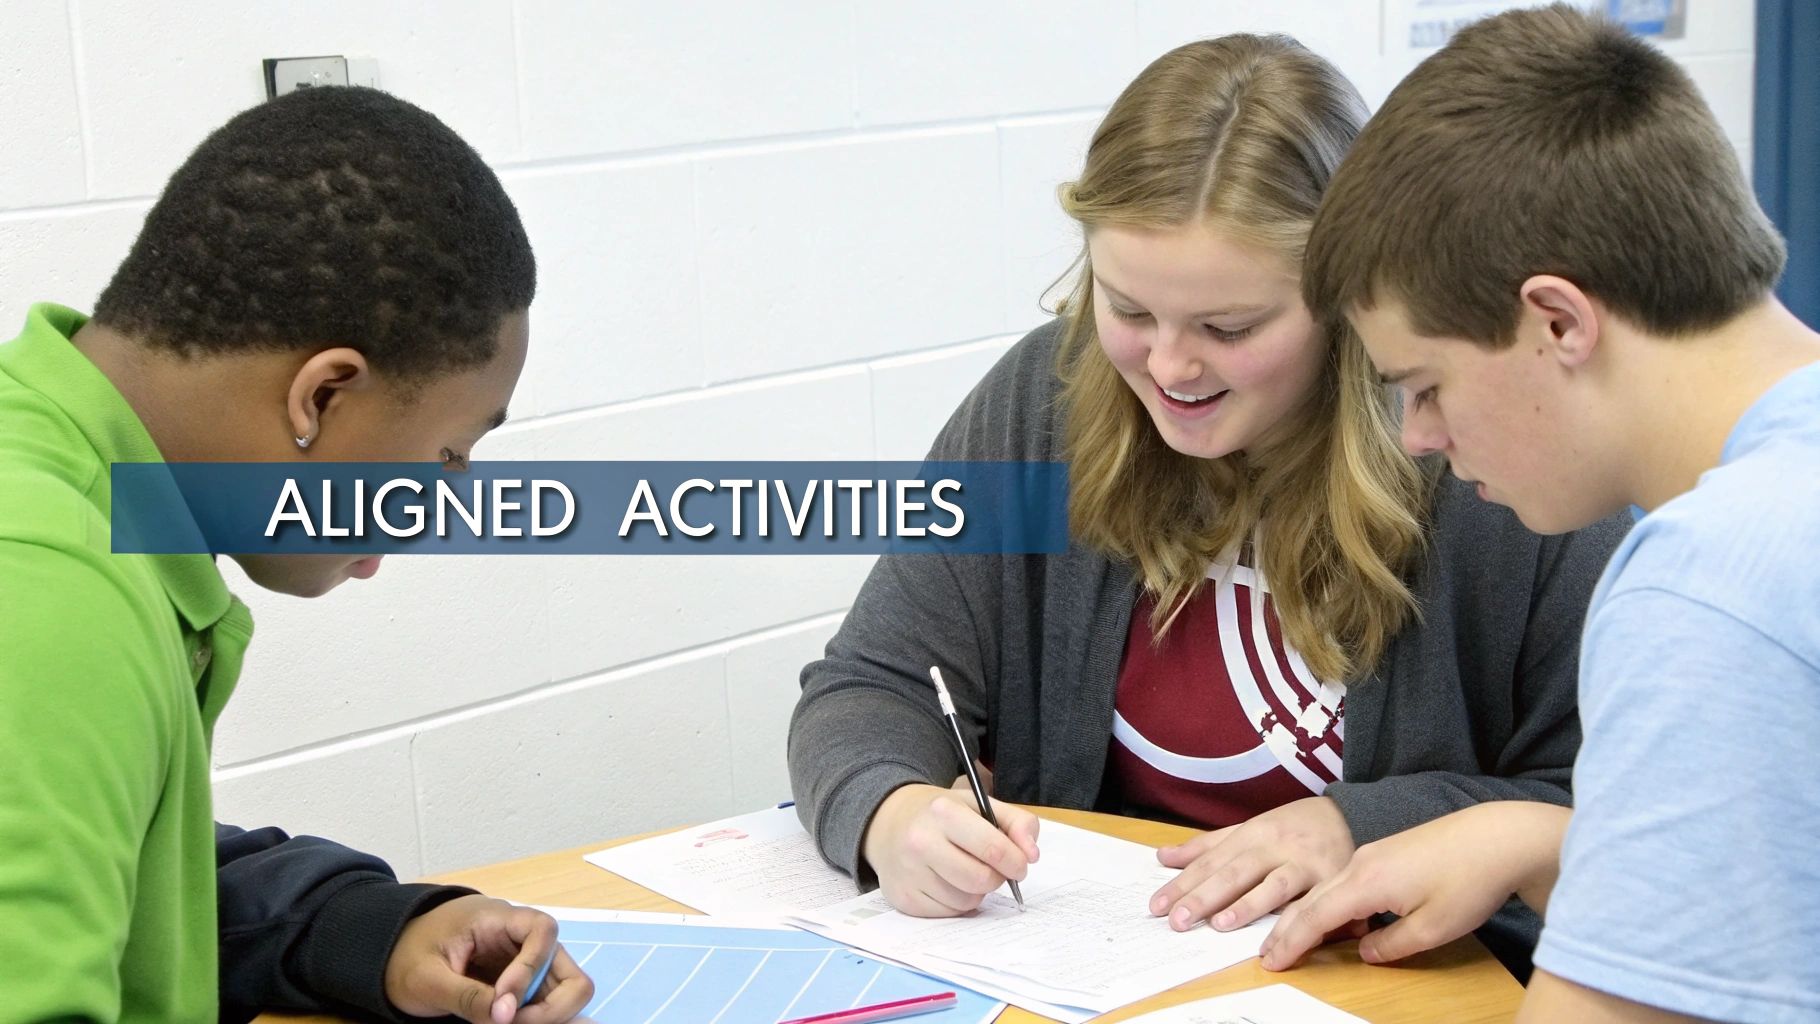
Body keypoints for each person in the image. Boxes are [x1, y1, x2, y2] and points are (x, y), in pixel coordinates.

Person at [788, 33, 1629, 975]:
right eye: (1129, 310)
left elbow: (1617, 819)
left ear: (1347, 297)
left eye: (1230, 327)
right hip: (1098, 966)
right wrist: (890, 813)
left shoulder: (1490, 454)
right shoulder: (1044, 404)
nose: (1173, 367)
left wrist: (1362, 824)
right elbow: (871, 683)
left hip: (1398, 984)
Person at [1257, 6, 1820, 1021]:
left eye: (1423, 385)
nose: (1419, 436)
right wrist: (1538, 841)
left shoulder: (1703, 589)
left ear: (1555, 321)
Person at [0, 87, 593, 1023]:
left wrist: (370, 932)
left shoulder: (70, 483)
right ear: (321, 397)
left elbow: (139, 878)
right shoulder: (45, 580)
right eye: (446, 452)